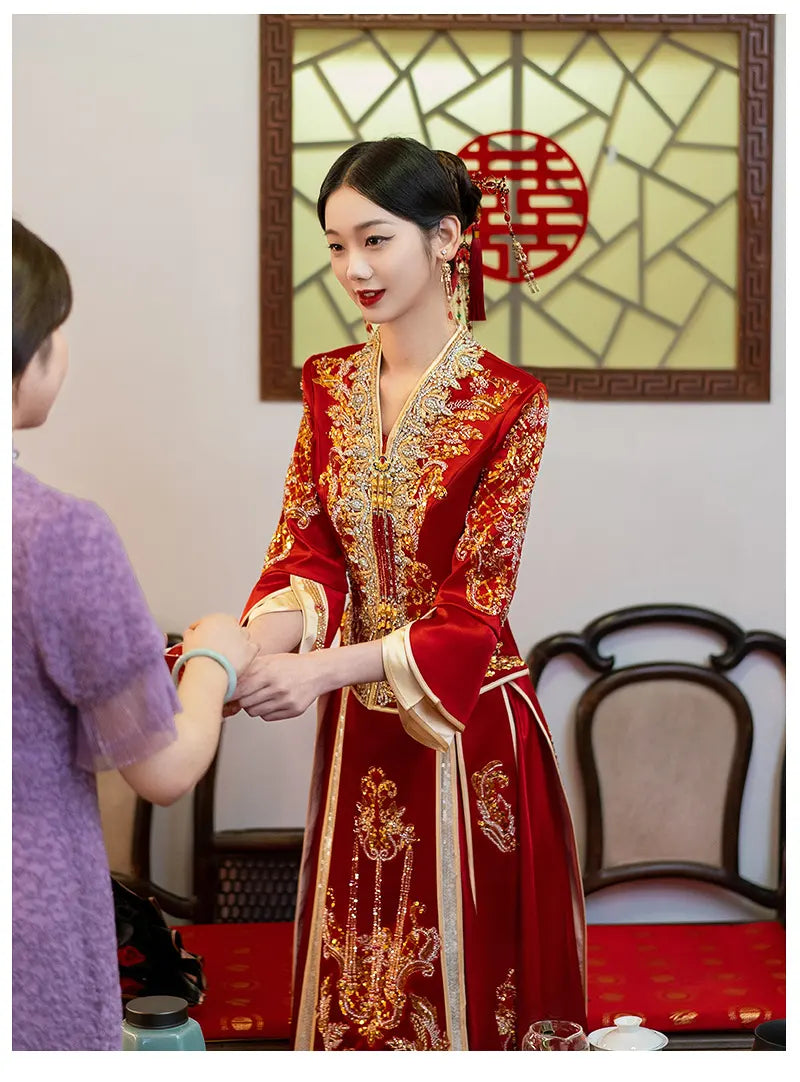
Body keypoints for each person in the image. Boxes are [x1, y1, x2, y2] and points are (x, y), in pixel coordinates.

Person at [230, 137, 587, 1051]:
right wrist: (250, 651)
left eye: (376, 240)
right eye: (336, 246)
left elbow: (477, 604)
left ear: (448, 237)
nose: (354, 267)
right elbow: (303, 554)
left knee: (472, 992)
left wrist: (318, 673)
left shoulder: (509, 402)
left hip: (470, 729)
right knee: (361, 980)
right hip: (359, 722)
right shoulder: (329, 387)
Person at [11, 218, 257, 1051]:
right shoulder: (55, 535)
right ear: (31, 347)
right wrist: (218, 655)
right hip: (28, 921)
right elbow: (162, 765)